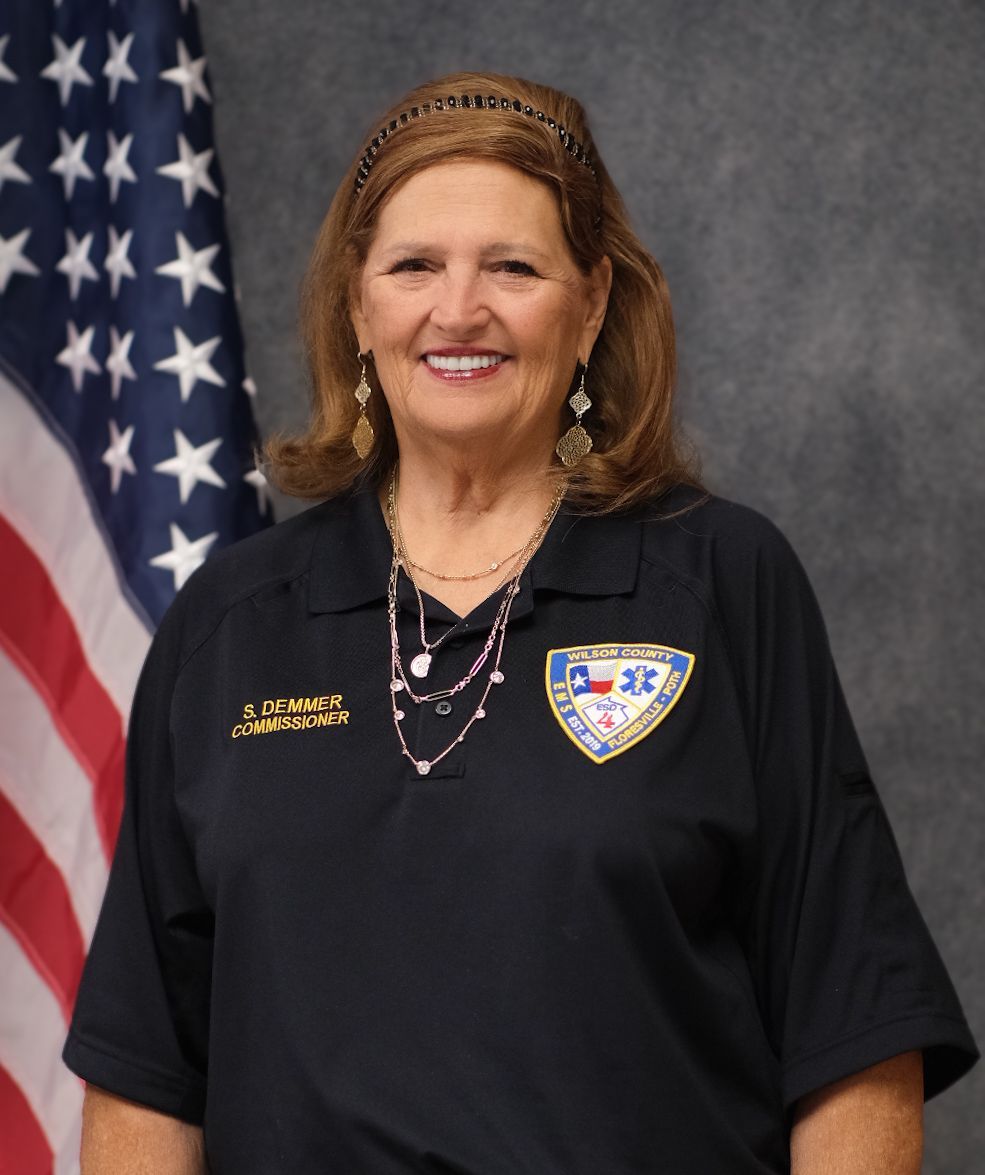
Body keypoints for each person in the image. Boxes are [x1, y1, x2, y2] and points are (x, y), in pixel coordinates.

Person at [65, 71, 977, 1173]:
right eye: (413, 267)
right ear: (359, 306)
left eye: (513, 266)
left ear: (590, 304)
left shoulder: (723, 583)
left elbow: (855, 1043)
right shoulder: (229, 624)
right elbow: (144, 1082)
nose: (459, 310)